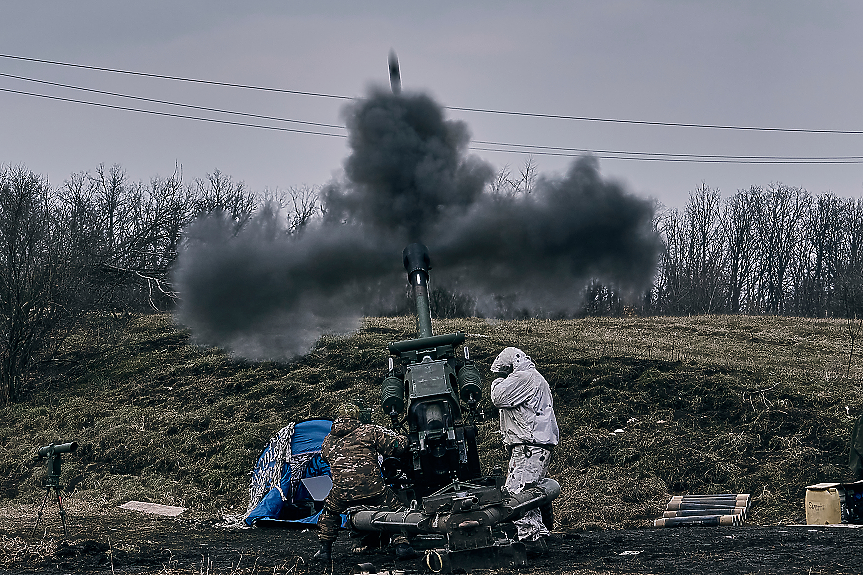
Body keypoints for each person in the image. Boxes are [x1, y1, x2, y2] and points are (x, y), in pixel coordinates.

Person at [314, 403, 419, 562]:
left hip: (342, 491)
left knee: (329, 512)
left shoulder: (328, 439)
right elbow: (395, 447)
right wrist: (405, 439)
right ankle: (402, 546)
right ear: (358, 416)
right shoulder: (370, 430)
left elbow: (324, 457)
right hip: (373, 488)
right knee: (395, 509)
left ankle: (324, 550)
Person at [490, 346, 559, 558]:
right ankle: (540, 534)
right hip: (537, 444)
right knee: (530, 494)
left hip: (529, 446)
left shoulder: (524, 377)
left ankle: (530, 541)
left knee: (516, 495)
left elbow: (498, 397)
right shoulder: (536, 378)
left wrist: (497, 381)